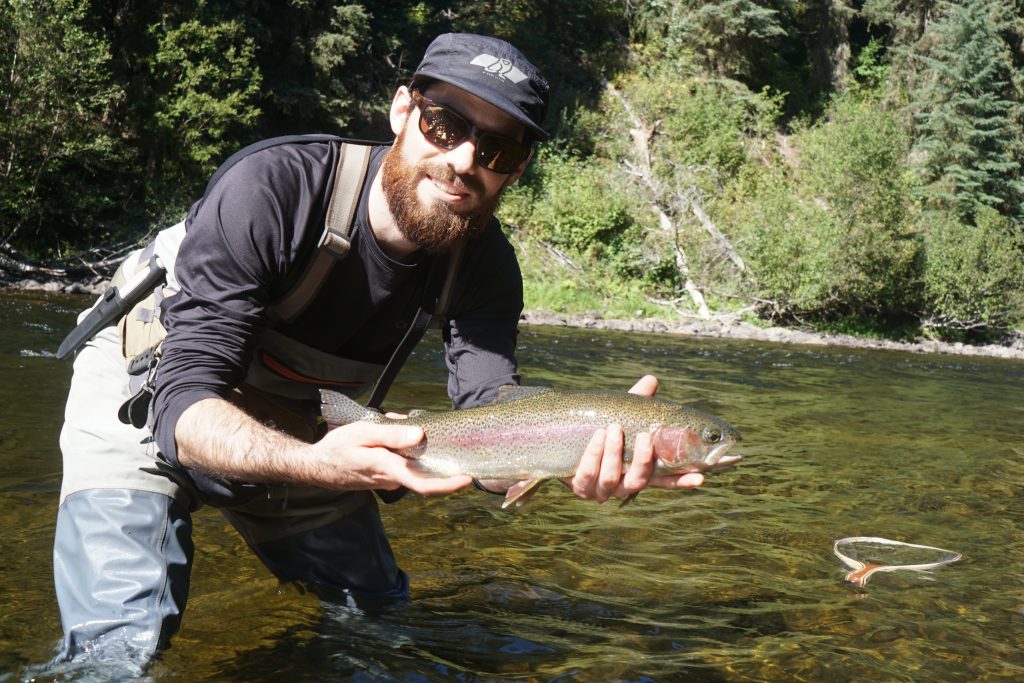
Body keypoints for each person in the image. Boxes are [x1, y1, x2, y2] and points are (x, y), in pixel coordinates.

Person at [54, 32, 705, 667]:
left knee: (382, 634)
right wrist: (318, 463)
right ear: (402, 111)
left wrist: (571, 444)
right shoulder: (275, 187)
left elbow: (488, 408)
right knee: (115, 649)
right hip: (151, 376)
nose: (464, 160)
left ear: (518, 169)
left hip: (306, 419)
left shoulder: (485, 266)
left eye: (499, 149)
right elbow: (183, 404)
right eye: (446, 123)